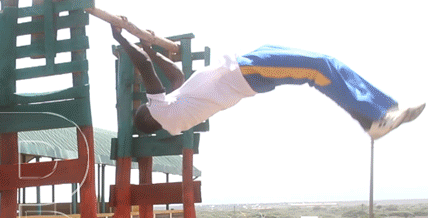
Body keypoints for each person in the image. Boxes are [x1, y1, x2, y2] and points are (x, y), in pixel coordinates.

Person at [111, 24, 424, 140]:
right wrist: (124, 41)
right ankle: (373, 119)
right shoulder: (165, 113)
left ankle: (385, 108)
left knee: (324, 61)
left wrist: (148, 45)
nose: (151, 98)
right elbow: (147, 69)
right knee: (320, 68)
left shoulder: (174, 107)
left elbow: (174, 75)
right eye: (146, 104)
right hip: (246, 74)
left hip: (243, 64)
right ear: (149, 115)